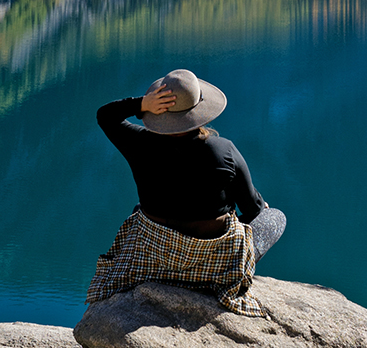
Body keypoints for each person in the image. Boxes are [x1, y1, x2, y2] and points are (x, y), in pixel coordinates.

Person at [85, 69, 286, 316]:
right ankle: (218, 264)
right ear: (199, 111)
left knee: (140, 211)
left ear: (158, 111)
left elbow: (105, 115)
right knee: (275, 217)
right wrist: (256, 208)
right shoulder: (222, 150)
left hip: (156, 257)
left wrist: (141, 104)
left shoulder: (138, 143)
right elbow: (253, 209)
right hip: (212, 262)